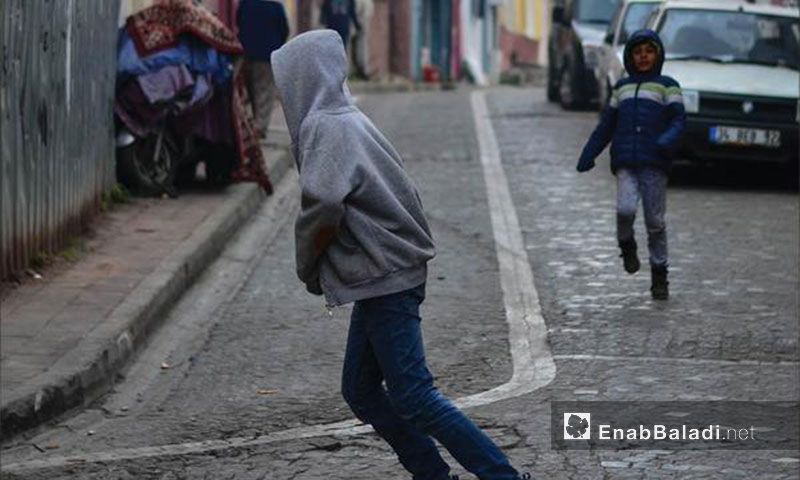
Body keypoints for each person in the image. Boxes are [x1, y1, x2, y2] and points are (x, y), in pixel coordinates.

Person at [271, 30, 531, 480]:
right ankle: (430, 471)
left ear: (302, 77)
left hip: (387, 272)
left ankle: (502, 476)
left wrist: (308, 264)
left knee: (414, 395)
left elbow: (324, 207)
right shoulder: (345, 116)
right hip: (388, 269)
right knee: (361, 390)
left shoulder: (325, 126)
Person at [576, 29, 685, 300]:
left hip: (655, 164)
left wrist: (666, 140)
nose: (643, 57)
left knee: (655, 222)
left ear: (657, 55)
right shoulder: (621, 88)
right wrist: (589, 153)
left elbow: (678, 120)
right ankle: (626, 244)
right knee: (624, 209)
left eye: (649, 52)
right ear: (630, 57)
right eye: (638, 52)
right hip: (625, 162)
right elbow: (606, 125)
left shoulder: (668, 86)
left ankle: (660, 275)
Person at [236, 0, 290, 141]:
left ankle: (256, 124)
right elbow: (284, 30)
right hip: (267, 55)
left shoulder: (246, 4)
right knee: (264, 92)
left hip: (247, 54)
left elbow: (238, 23)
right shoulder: (276, 7)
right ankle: (259, 128)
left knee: (252, 90)